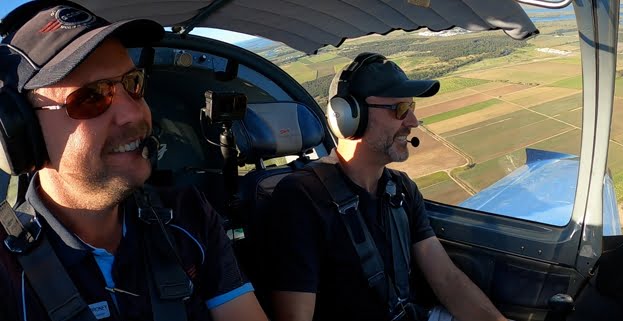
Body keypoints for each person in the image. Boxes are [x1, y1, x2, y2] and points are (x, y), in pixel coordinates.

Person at [0, 2, 267, 321]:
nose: (134, 113)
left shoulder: (187, 216)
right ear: (19, 132)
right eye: (91, 97)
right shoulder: (7, 271)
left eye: (133, 83)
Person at [263, 52, 508, 321]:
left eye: (412, 107)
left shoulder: (401, 190)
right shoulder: (301, 197)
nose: (413, 122)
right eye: (400, 109)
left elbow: (446, 278)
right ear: (348, 116)